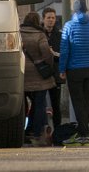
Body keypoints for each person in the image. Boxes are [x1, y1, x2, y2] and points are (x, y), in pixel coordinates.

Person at [59, 0, 89, 147]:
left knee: (78, 102)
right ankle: (84, 133)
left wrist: (62, 69)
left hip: (74, 71)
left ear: (74, 10)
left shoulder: (69, 26)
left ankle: (83, 134)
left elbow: (64, 50)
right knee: (87, 102)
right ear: (86, 10)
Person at [20, 11, 56, 147]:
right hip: (38, 75)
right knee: (39, 104)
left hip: (22, 74)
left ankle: (21, 131)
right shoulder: (40, 34)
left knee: (22, 105)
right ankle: (35, 132)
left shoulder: (18, 33)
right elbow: (47, 54)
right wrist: (48, 65)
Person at [41, 7, 63, 129]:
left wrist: (54, 54)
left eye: (53, 18)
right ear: (43, 19)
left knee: (56, 104)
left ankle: (57, 130)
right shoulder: (39, 34)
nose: (51, 20)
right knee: (40, 103)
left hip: (55, 74)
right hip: (41, 74)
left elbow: (63, 54)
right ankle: (42, 129)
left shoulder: (59, 35)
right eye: (48, 17)